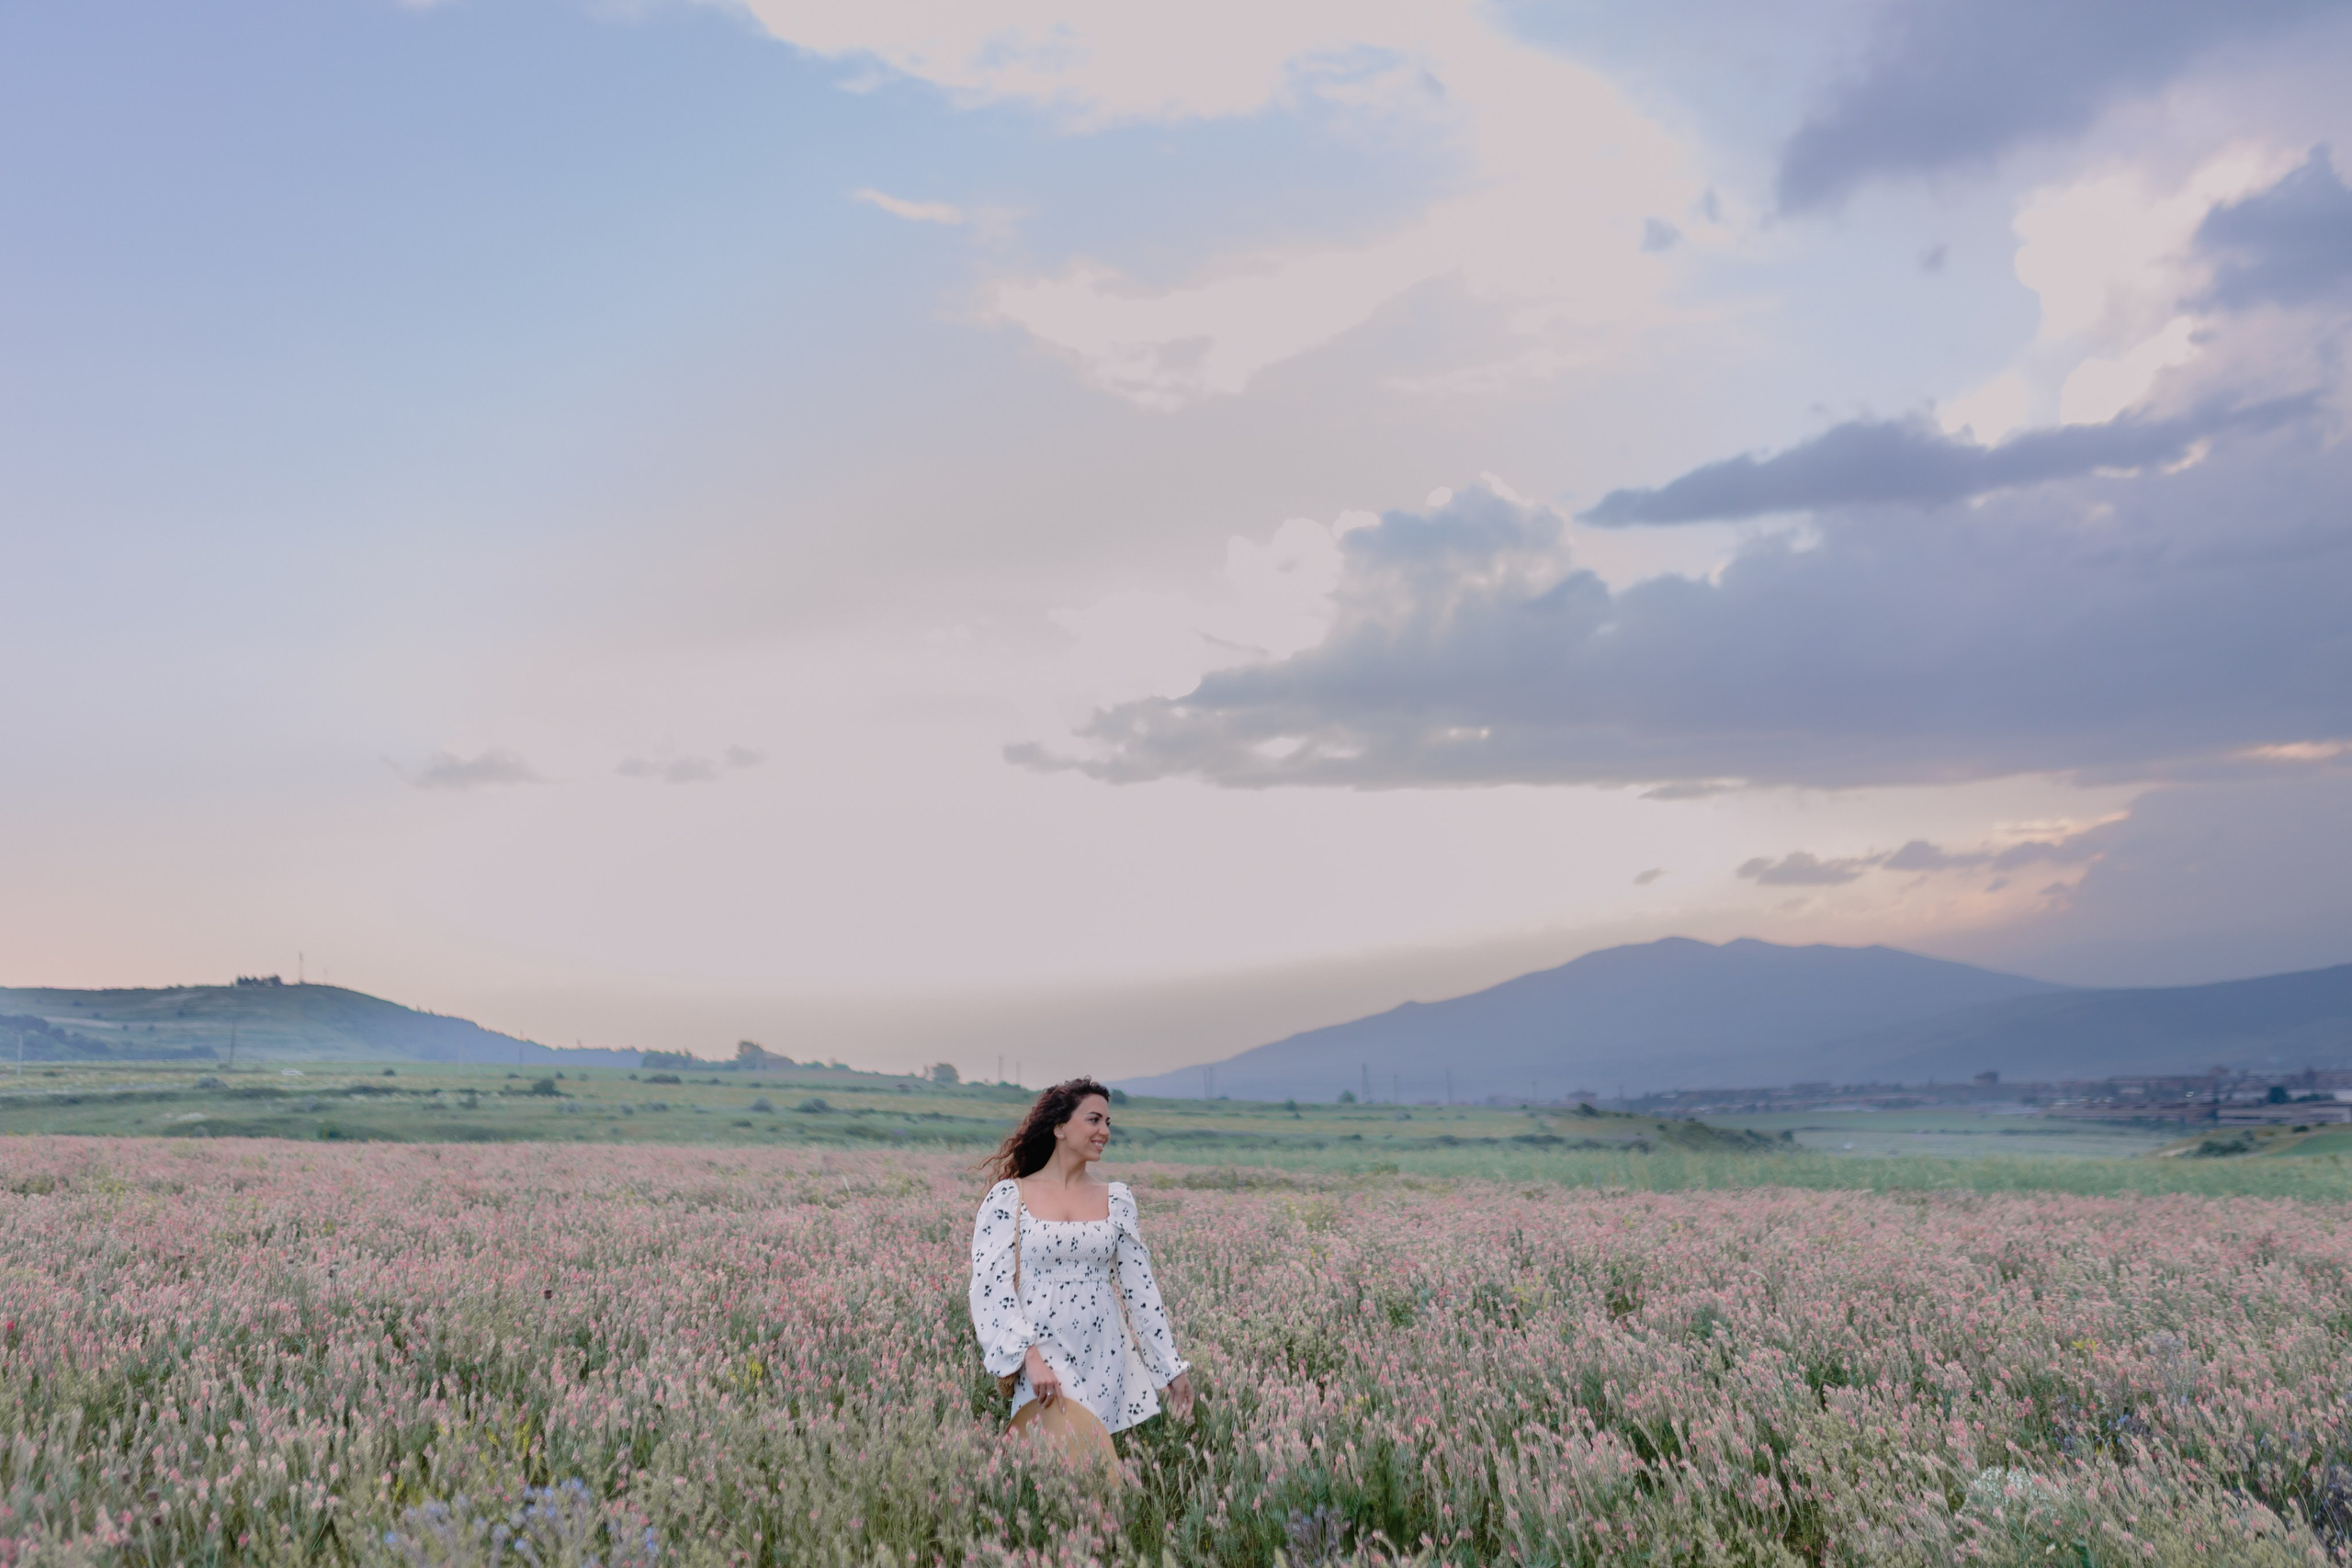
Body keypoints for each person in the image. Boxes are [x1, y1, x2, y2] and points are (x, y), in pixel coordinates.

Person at [969, 1077, 1195, 1438]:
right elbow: (991, 1288)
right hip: (1040, 1349)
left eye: (1107, 1123)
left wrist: (1171, 1369)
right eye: (1094, 1120)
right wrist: (1028, 1357)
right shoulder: (1009, 1197)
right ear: (1060, 1128)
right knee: (1055, 1455)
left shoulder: (1116, 1199)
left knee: (1090, 1466)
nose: (1104, 1131)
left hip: (1103, 1352)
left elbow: (1141, 1291)